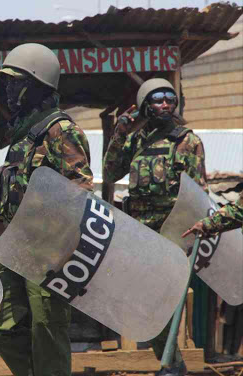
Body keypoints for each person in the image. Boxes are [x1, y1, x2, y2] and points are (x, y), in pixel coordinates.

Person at [0, 43, 93, 376]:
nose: (10, 90)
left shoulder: (61, 132)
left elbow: (81, 192)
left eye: (17, 82)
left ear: (39, 84)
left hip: (48, 251)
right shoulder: (23, 135)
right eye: (8, 83)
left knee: (47, 329)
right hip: (17, 246)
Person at [103, 78, 207, 376]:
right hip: (140, 236)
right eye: (158, 99)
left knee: (162, 299)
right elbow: (111, 172)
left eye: (169, 100)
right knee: (145, 303)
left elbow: (197, 195)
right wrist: (119, 132)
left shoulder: (188, 141)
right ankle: (172, 363)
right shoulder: (137, 140)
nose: (165, 105)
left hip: (172, 235)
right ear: (145, 104)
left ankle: (171, 364)